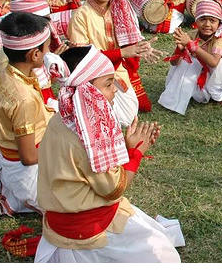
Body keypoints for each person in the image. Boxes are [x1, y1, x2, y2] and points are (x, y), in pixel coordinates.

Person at [35, 45, 182, 262]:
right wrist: (135, 152)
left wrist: (124, 144)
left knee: (156, 234)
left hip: (59, 222)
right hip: (89, 230)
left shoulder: (61, 118)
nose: (115, 90)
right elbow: (113, 189)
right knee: (166, 257)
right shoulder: (88, 134)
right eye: (108, 84)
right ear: (86, 91)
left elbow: (82, 167)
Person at [67, 0, 154, 117]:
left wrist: (141, 47)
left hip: (116, 70)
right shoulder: (81, 15)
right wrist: (122, 53)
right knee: (121, 117)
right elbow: (80, 59)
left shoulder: (119, 10)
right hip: (91, 77)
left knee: (129, 114)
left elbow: (129, 43)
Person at [0, 11, 54, 216]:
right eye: (46, 48)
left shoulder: (6, 69)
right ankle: (23, 195)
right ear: (34, 55)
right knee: (78, 205)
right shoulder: (23, 99)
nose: (48, 52)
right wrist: (61, 153)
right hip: (26, 168)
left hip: (13, 153)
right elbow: (28, 156)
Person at [158, 0, 222, 115]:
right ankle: (187, 94)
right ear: (196, 20)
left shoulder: (220, 36)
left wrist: (191, 45)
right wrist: (179, 50)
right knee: (186, 62)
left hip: (216, 74)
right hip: (200, 73)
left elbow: (214, 62)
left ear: (218, 23)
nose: (207, 24)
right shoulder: (191, 35)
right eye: (203, 19)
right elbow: (174, 64)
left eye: (212, 20)